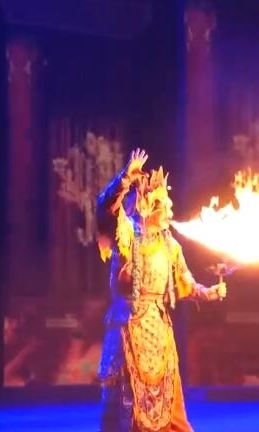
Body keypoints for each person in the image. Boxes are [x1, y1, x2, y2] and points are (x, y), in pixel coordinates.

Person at [96, 149, 227, 432]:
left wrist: (209, 292)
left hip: (159, 331)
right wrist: (125, 178)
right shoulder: (126, 234)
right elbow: (105, 208)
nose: (169, 208)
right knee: (128, 408)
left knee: (172, 408)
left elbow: (185, 283)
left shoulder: (170, 245)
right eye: (163, 203)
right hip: (128, 329)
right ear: (146, 204)